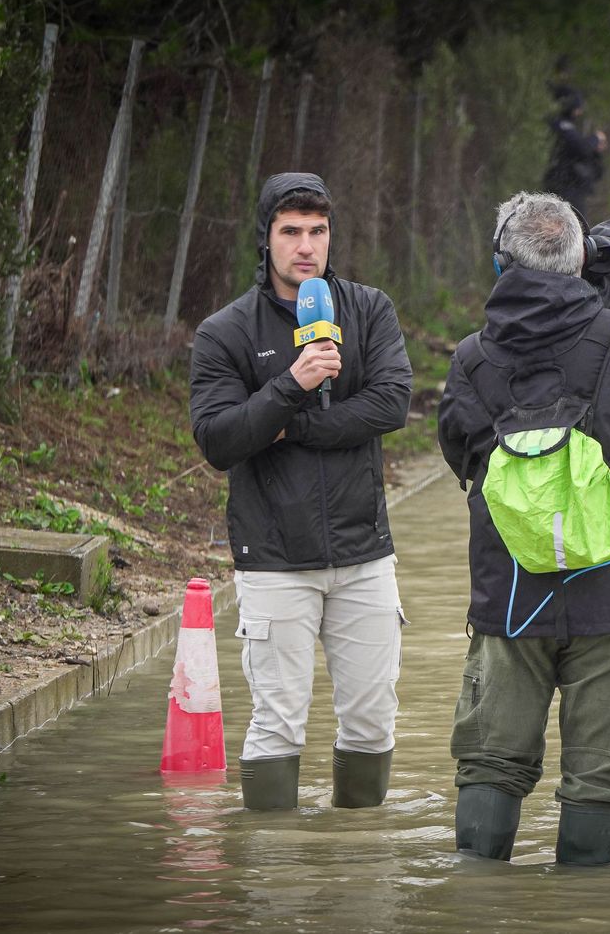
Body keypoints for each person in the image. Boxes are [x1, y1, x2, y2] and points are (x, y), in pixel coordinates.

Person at [436, 191, 610, 865]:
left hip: (513, 599)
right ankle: (583, 905)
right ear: (581, 259)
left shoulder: (472, 358)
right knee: (600, 785)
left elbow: (461, 457)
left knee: (490, 766)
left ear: (500, 267)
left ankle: (474, 902)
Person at [189, 172, 413, 811]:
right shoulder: (225, 331)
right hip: (274, 559)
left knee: (372, 719)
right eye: (291, 232)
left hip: (364, 554)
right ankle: (273, 864)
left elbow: (391, 404)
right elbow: (219, 440)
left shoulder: (369, 309)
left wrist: (293, 427)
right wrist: (290, 384)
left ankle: (357, 855)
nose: (306, 246)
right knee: (278, 720)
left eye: (318, 231)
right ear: (266, 238)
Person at [542, 86, 606, 221]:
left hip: (569, 187)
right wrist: (595, 139)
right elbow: (581, 148)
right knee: (570, 222)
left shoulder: (567, 127)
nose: (579, 113)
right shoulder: (561, 125)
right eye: (577, 108)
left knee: (573, 221)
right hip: (562, 186)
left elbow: (583, 151)